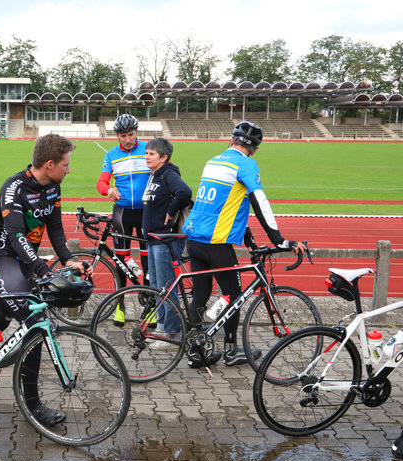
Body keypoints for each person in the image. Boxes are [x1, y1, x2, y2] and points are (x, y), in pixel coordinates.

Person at [0, 133, 90, 427]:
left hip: (24, 259)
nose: (68, 170)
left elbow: (55, 229)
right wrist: (42, 269)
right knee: (34, 324)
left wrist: (68, 259)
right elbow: (16, 235)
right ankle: (33, 405)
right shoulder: (14, 187)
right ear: (50, 163)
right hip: (1, 256)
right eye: (65, 165)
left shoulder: (53, 189)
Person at [182, 120, 306, 368]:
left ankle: (196, 352)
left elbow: (229, 205)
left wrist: (248, 240)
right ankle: (231, 351)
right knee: (233, 296)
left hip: (194, 238)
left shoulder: (213, 161)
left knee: (200, 294)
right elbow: (259, 202)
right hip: (217, 244)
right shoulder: (247, 164)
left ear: (231, 141)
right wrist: (279, 240)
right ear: (255, 149)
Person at [97, 113, 150, 326]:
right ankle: (120, 307)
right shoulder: (111, 155)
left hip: (147, 212)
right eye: (123, 135)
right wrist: (108, 189)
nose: (127, 139)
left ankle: (150, 307)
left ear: (136, 132)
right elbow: (101, 183)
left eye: (130, 134)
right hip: (122, 214)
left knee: (148, 263)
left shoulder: (148, 148)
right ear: (117, 135)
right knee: (121, 261)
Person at [140, 138, 191, 349]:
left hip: (166, 240)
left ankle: (172, 333)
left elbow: (185, 193)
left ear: (164, 157)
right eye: (147, 153)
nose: (147, 157)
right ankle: (161, 327)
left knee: (166, 287)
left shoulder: (169, 173)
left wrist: (170, 212)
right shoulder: (155, 175)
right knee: (156, 286)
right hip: (153, 239)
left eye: (151, 154)